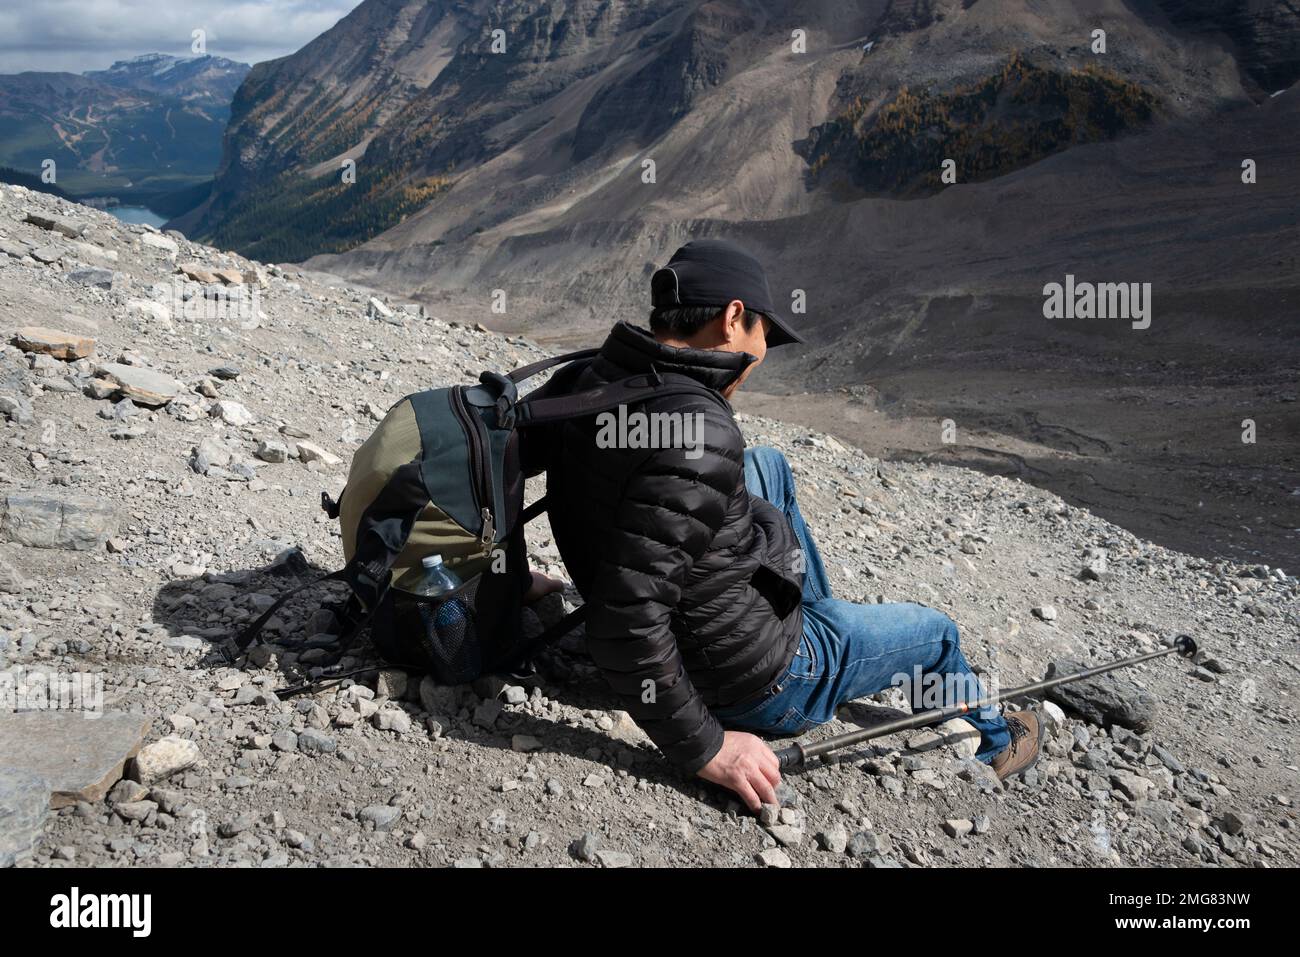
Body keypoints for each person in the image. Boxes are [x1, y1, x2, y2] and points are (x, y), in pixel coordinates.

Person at [541, 238, 1041, 810]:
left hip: (699, 620)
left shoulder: (593, 378)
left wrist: (512, 582)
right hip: (748, 684)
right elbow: (627, 619)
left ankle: (819, 616)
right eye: (765, 335)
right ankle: (997, 740)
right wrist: (706, 747)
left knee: (767, 465)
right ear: (733, 318)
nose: (764, 353)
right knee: (938, 635)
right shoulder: (700, 429)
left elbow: (514, 461)